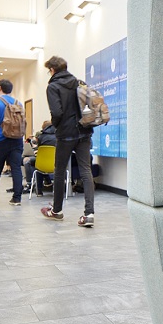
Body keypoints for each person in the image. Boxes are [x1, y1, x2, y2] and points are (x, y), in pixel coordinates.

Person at [40, 56, 95, 226]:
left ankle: (57, 210)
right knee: (86, 170)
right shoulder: (79, 83)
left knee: (59, 171)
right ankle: (89, 214)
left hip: (66, 134)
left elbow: (56, 113)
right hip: (84, 131)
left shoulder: (53, 86)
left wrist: (57, 126)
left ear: (52, 70)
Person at [23, 120, 57, 195]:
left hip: (42, 164)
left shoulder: (41, 136)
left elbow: (39, 148)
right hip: (55, 163)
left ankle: (32, 186)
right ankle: (48, 182)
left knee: (29, 162)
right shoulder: (58, 136)